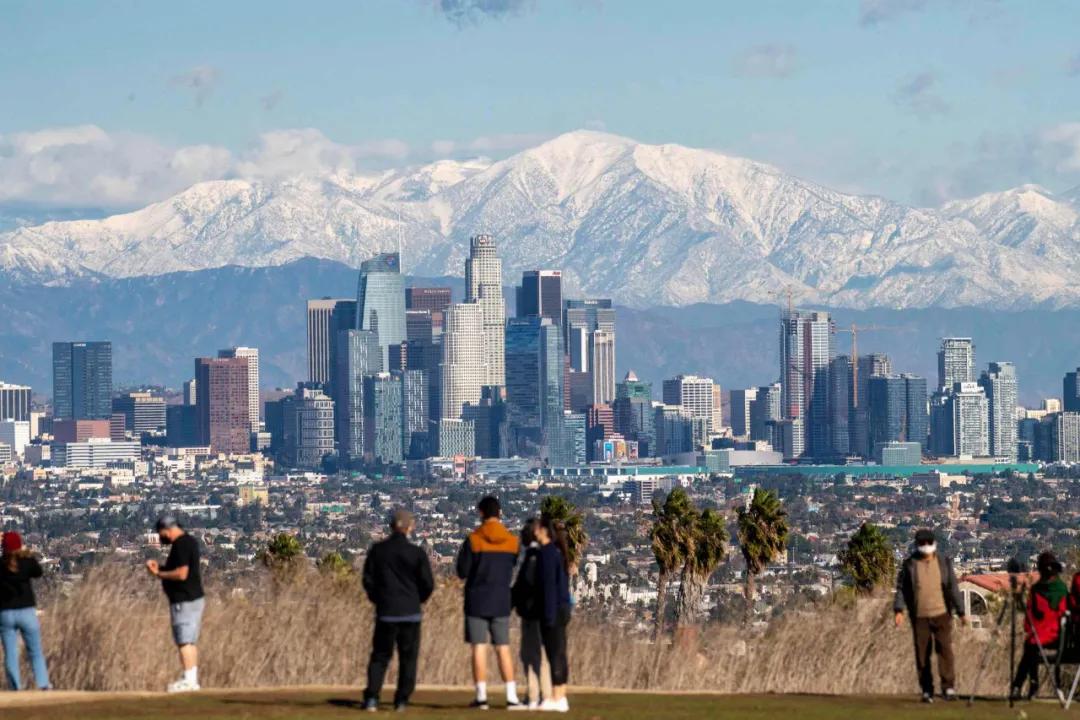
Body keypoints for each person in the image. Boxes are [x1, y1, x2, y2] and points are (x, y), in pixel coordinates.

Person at [361, 508, 435, 712]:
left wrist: (378, 599)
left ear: (391, 526)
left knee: (380, 656)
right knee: (408, 659)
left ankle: (372, 698)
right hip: (410, 613)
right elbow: (428, 584)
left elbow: (368, 579)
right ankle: (401, 700)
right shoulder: (416, 553)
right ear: (410, 527)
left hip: (386, 612)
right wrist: (417, 600)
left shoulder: (378, 551)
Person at [456, 496, 521, 709]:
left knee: (479, 648)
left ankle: (481, 697)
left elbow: (462, 572)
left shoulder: (473, 540)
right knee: (503, 648)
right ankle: (511, 697)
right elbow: (511, 566)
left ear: (481, 513)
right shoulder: (512, 542)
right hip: (501, 600)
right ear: (499, 513)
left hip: (476, 600)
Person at [893, 528, 967, 703]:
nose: (925, 546)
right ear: (917, 545)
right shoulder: (910, 565)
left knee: (945, 650)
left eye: (928, 543)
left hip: (942, 613)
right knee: (922, 653)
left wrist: (961, 611)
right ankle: (927, 689)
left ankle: (948, 687)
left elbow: (953, 589)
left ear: (934, 544)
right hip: (919, 615)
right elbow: (902, 589)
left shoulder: (944, 563)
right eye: (922, 543)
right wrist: (898, 610)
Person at [145, 514, 204, 693]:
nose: (161, 537)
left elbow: (182, 573)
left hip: (184, 600)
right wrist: (161, 569)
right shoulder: (190, 542)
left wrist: (158, 575)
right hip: (194, 598)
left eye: (161, 533)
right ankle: (191, 679)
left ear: (167, 530)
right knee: (190, 642)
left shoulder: (181, 545)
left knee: (184, 641)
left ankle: (188, 680)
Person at [1012, 551, 1068, 701]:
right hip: (1055, 635)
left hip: (1049, 634)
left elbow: (1029, 617)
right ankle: (1027, 685)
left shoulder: (1038, 590)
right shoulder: (1060, 589)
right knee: (1031, 647)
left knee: (1030, 648)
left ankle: (1025, 684)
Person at [0, 531, 51, 691]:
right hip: (27, 611)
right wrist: (27, 553)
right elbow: (39, 572)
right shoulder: (27, 562)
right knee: (35, 651)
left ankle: (15, 687)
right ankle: (43, 684)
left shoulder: (1, 564)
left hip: (5, 613)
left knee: (10, 654)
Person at [535, 515, 572, 713]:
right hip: (561, 609)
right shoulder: (557, 552)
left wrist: (548, 615)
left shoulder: (547, 554)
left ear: (544, 531)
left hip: (554, 611)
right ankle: (560, 695)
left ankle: (558, 697)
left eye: (537, 529)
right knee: (559, 653)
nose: (534, 532)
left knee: (555, 654)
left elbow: (549, 586)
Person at [511, 518, 544, 710]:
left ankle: (534, 695)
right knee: (536, 654)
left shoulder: (532, 555)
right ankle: (539, 695)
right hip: (537, 612)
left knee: (530, 654)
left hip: (532, 613)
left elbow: (523, 584)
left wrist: (512, 603)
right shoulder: (544, 554)